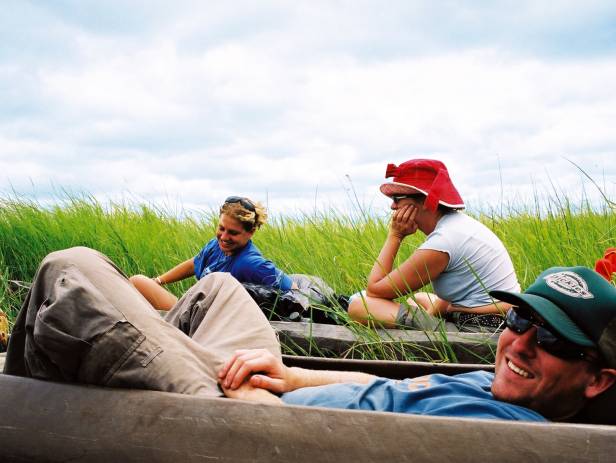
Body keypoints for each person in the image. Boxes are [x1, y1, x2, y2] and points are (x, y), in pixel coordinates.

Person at [4, 247, 615, 422]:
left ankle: (28, 397)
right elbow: (382, 384)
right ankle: (127, 355)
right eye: (517, 321)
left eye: (554, 341)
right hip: (268, 393)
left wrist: (260, 399)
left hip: (245, 420)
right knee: (221, 291)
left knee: (72, 271)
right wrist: (295, 374)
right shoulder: (499, 383)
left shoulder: (513, 432)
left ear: (598, 380)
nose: (521, 345)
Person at [347, 159, 520, 331]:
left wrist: (395, 235)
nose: (393, 206)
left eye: (397, 198)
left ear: (424, 202)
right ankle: (429, 320)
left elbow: (374, 290)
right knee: (418, 298)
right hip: (500, 318)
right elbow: (454, 294)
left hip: (480, 330)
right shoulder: (457, 226)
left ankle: (430, 326)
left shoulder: (443, 242)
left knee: (359, 306)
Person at [130, 196, 295, 310]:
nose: (224, 237)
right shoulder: (216, 246)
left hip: (204, 323)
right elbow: (194, 263)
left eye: (233, 233)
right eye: (221, 228)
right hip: (194, 308)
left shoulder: (251, 263)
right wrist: (158, 281)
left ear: (250, 232)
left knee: (137, 282)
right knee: (138, 285)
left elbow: (292, 289)